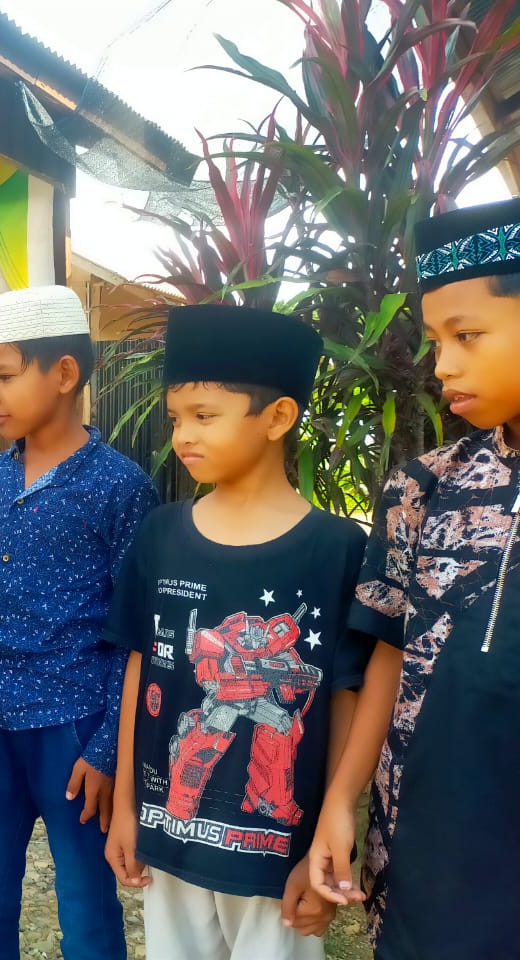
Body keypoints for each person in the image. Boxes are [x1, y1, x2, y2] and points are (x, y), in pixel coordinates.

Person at [102, 305, 371, 960]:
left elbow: (344, 695)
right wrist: (127, 806)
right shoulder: (161, 534)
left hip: (277, 857)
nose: (183, 435)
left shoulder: (336, 549)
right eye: (176, 418)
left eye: (204, 415)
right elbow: (141, 667)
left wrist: (325, 839)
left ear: (277, 417)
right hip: (170, 835)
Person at [307, 197, 520, 959]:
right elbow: (390, 653)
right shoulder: (423, 487)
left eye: (467, 335)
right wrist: (341, 801)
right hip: (429, 848)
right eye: (435, 340)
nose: (443, 365)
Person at [0, 285, 157, 960]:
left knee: (86, 910)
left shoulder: (120, 486)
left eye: (4, 376)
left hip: (74, 726)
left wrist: (108, 749)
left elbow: (137, 631)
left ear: (64, 373)